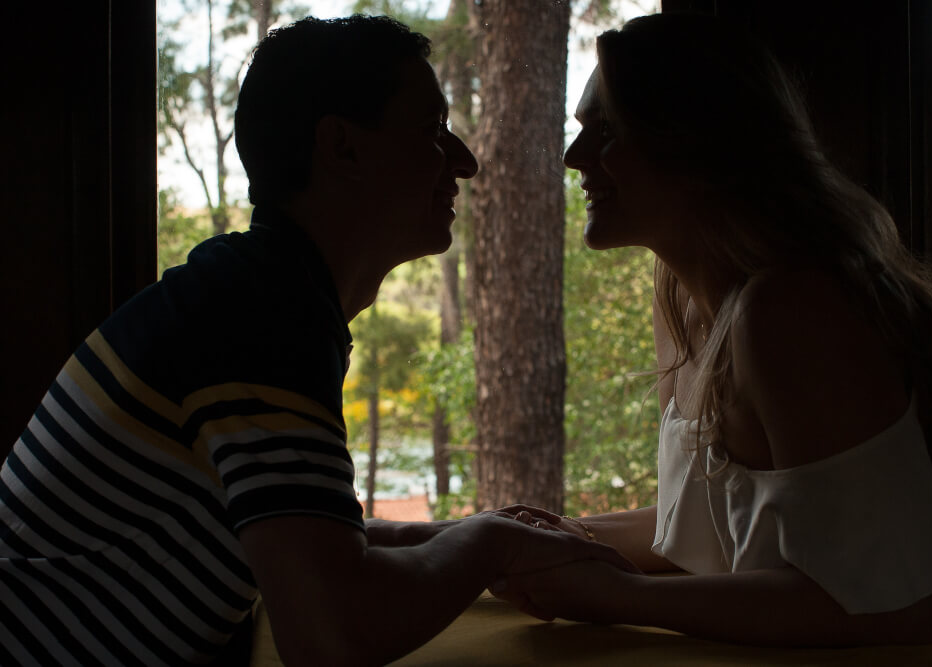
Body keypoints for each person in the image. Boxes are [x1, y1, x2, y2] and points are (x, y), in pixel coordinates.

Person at [0, 15, 636, 666]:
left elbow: (306, 538)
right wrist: (493, 545)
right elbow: (333, 633)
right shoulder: (261, 316)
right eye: (431, 129)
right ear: (342, 147)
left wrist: (470, 529)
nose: (465, 161)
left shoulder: (254, 292)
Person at [495, 12, 932, 666]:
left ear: (700, 143)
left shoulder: (793, 309)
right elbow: (705, 528)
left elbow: (902, 606)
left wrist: (615, 595)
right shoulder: (685, 297)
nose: (574, 158)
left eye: (608, 130)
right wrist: (528, 538)